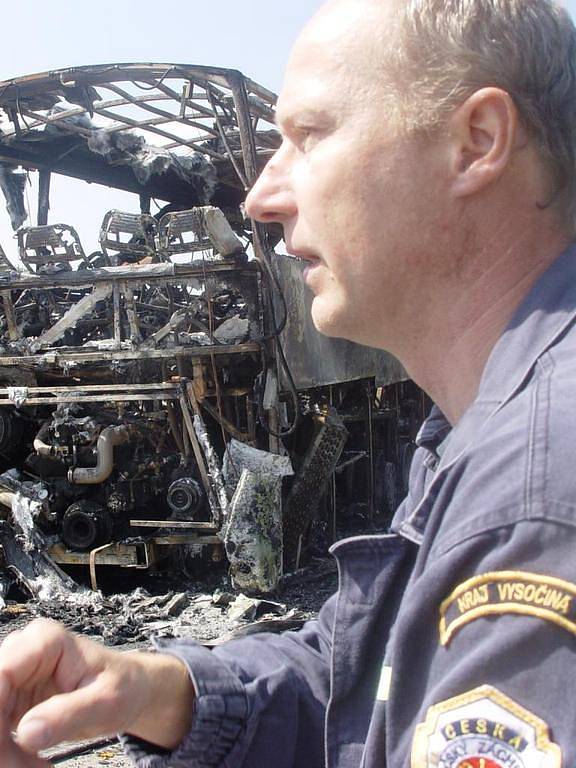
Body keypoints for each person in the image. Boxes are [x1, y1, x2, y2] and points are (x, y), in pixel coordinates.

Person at [2, 0, 576, 765]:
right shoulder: (477, 436)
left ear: (476, 143)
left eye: (307, 138)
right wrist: (169, 691)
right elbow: (361, 677)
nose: (258, 199)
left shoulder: (534, 498)